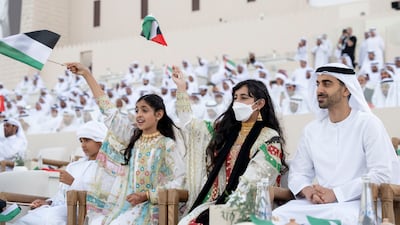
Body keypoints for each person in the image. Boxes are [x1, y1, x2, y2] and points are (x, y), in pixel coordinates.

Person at [272, 63, 400, 224]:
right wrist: (309, 191)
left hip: (359, 202)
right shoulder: (311, 130)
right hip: (319, 204)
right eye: (318, 84)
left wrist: (336, 193)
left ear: (346, 90)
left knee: (341, 218)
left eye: (327, 83)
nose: (319, 90)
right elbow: (298, 173)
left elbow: (381, 174)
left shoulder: (368, 124)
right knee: (279, 215)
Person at [65, 62, 186, 225]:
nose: (138, 115)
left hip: (156, 209)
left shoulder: (167, 145)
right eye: (136, 110)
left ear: (158, 114)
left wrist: (147, 195)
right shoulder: (132, 138)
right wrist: (87, 75)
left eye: (144, 110)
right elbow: (108, 111)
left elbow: (179, 180)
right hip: (126, 206)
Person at [171, 67, 287, 225]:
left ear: (259, 103)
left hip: (251, 204)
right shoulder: (225, 132)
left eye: (244, 98)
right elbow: (190, 126)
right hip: (218, 202)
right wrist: (181, 89)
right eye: (235, 98)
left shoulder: (269, 137)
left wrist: (225, 211)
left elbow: (254, 181)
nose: (237, 102)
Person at [14, 120, 108, 225]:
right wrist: (48, 202)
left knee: (48, 220)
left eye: (87, 140)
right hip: (63, 210)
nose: (83, 145)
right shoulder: (74, 166)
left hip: (85, 212)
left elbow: (103, 197)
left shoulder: (106, 167)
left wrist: (73, 182)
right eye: (81, 141)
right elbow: (61, 196)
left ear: (100, 142)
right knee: (29, 218)